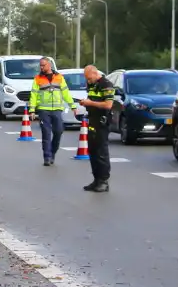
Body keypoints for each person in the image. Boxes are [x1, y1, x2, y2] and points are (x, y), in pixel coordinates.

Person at [29, 57, 77, 166]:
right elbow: (34, 95)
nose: (41, 67)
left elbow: (66, 93)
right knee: (46, 133)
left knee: (58, 131)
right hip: (43, 110)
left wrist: (72, 106)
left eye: (43, 65)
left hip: (57, 110)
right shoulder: (37, 79)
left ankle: (53, 153)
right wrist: (32, 110)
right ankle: (47, 157)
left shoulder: (59, 77)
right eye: (40, 65)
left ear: (49, 65)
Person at [80, 64, 116, 192]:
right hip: (92, 119)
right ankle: (96, 179)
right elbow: (92, 98)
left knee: (101, 151)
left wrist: (90, 103)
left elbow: (108, 105)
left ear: (95, 73)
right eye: (87, 79)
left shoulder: (106, 85)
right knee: (92, 150)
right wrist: (86, 103)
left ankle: (104, 181)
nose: (88, 81)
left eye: (89, 78)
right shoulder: (92, 84)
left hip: (102, 121)